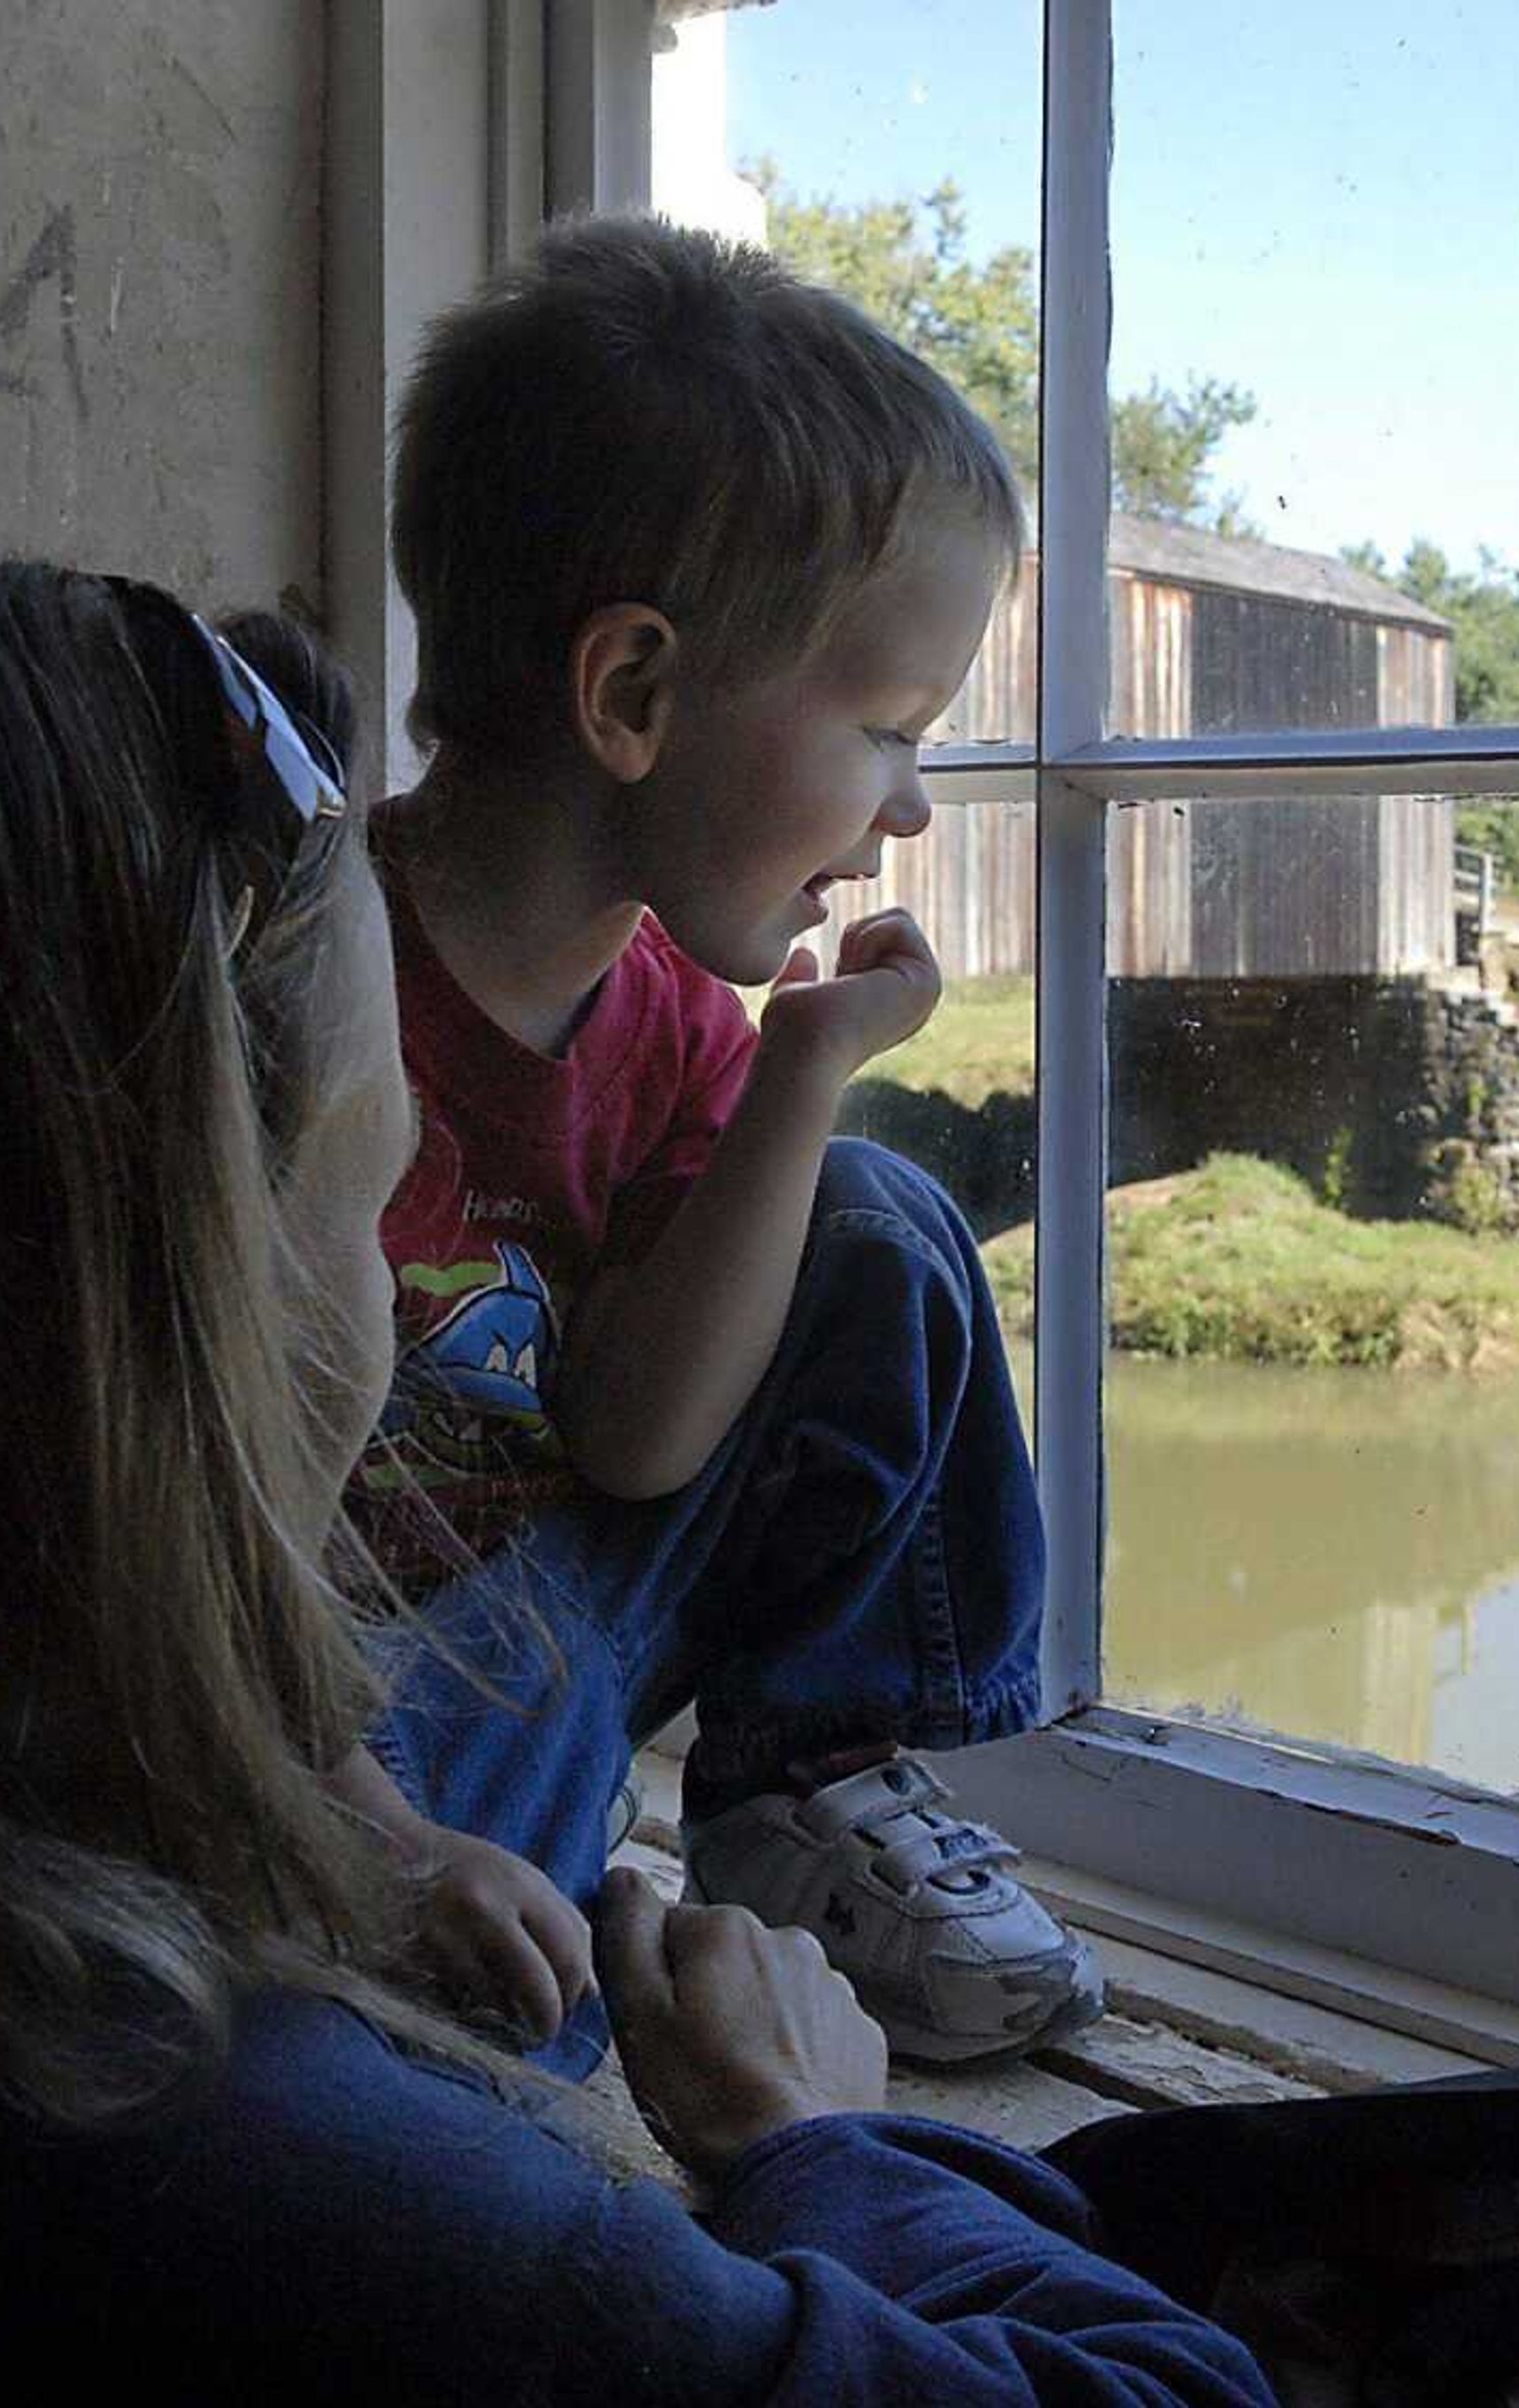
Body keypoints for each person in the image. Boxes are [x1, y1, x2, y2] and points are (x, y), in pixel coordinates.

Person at [0, 544, 1268, 2401]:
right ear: (125, 1322)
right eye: (360, 1198)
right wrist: (825, 2154)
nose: (389, 1322)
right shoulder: (225, 2169)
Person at [346, 214, 1097, 2077]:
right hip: (319, 1679)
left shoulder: (677, 1022)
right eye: (888, 730)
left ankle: (798, 1784)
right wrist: (361, 1828)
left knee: (879, 1217)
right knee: (511, 2027)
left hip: (557, 1598)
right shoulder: (302, 987)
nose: (913, 807)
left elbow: (636, 1438)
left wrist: (803, 1075)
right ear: (634, 698)